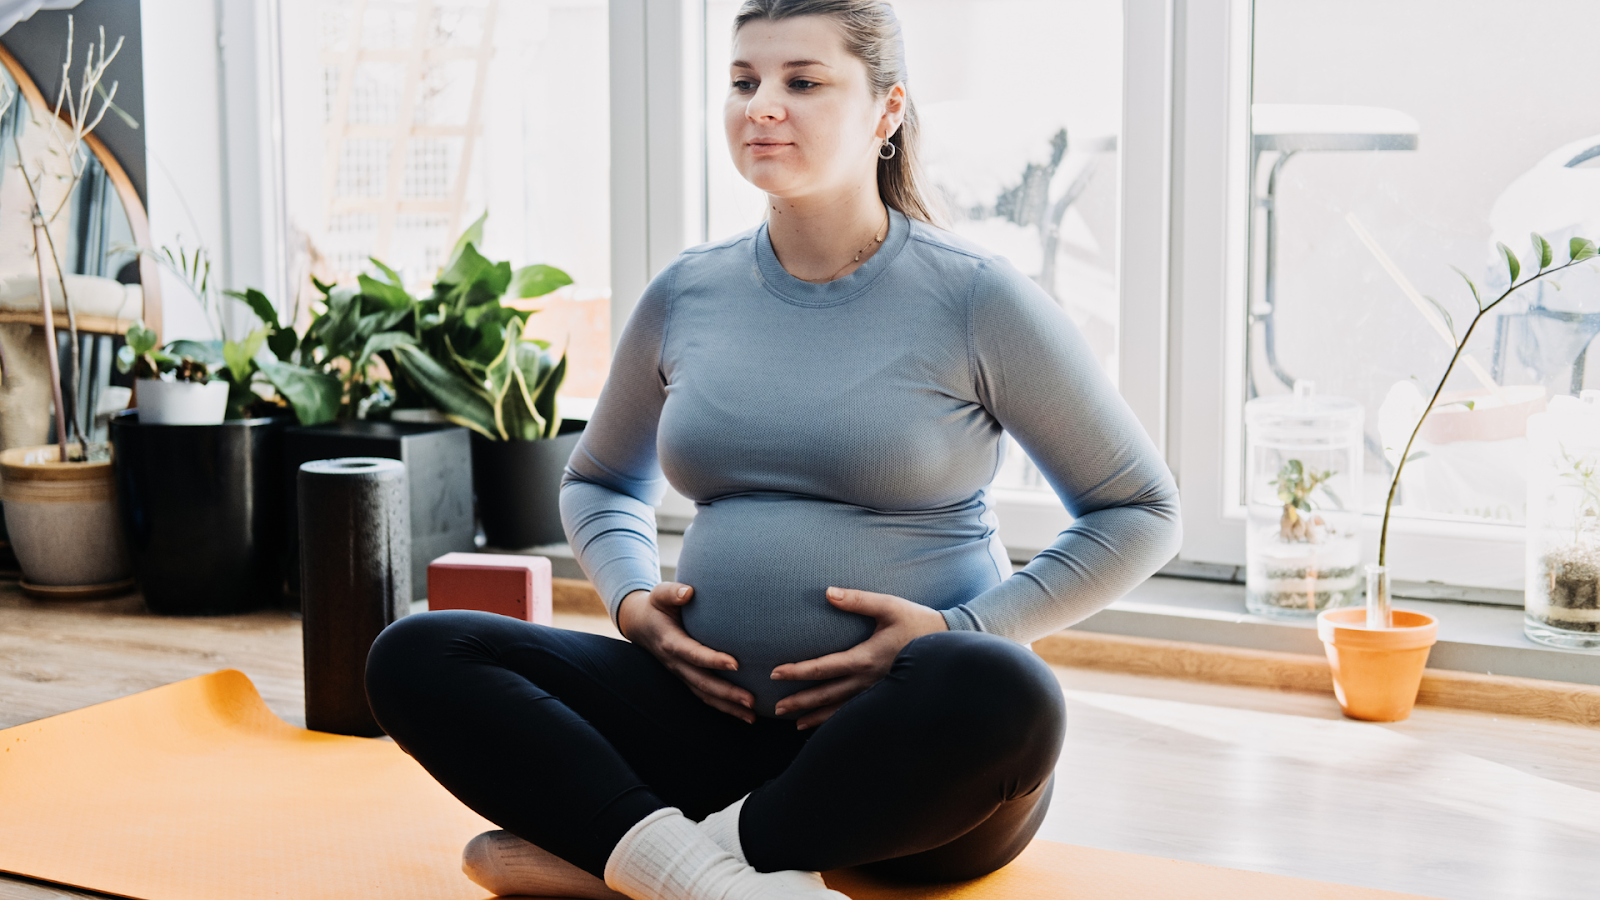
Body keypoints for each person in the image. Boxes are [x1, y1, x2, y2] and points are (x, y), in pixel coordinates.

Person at [365, 2, 1182, 898]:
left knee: (1005, 690)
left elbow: (1140, 510)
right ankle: (713, 877)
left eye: (802, 82)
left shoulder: (975, 299)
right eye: (744, 81)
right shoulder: (689, 292)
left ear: (887, 111)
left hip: (908, 766)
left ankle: (645, 864)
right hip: (705, 731)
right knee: (417, 654)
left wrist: (960, 629)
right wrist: (633, 602)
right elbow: (600, 481)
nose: (761, 105)